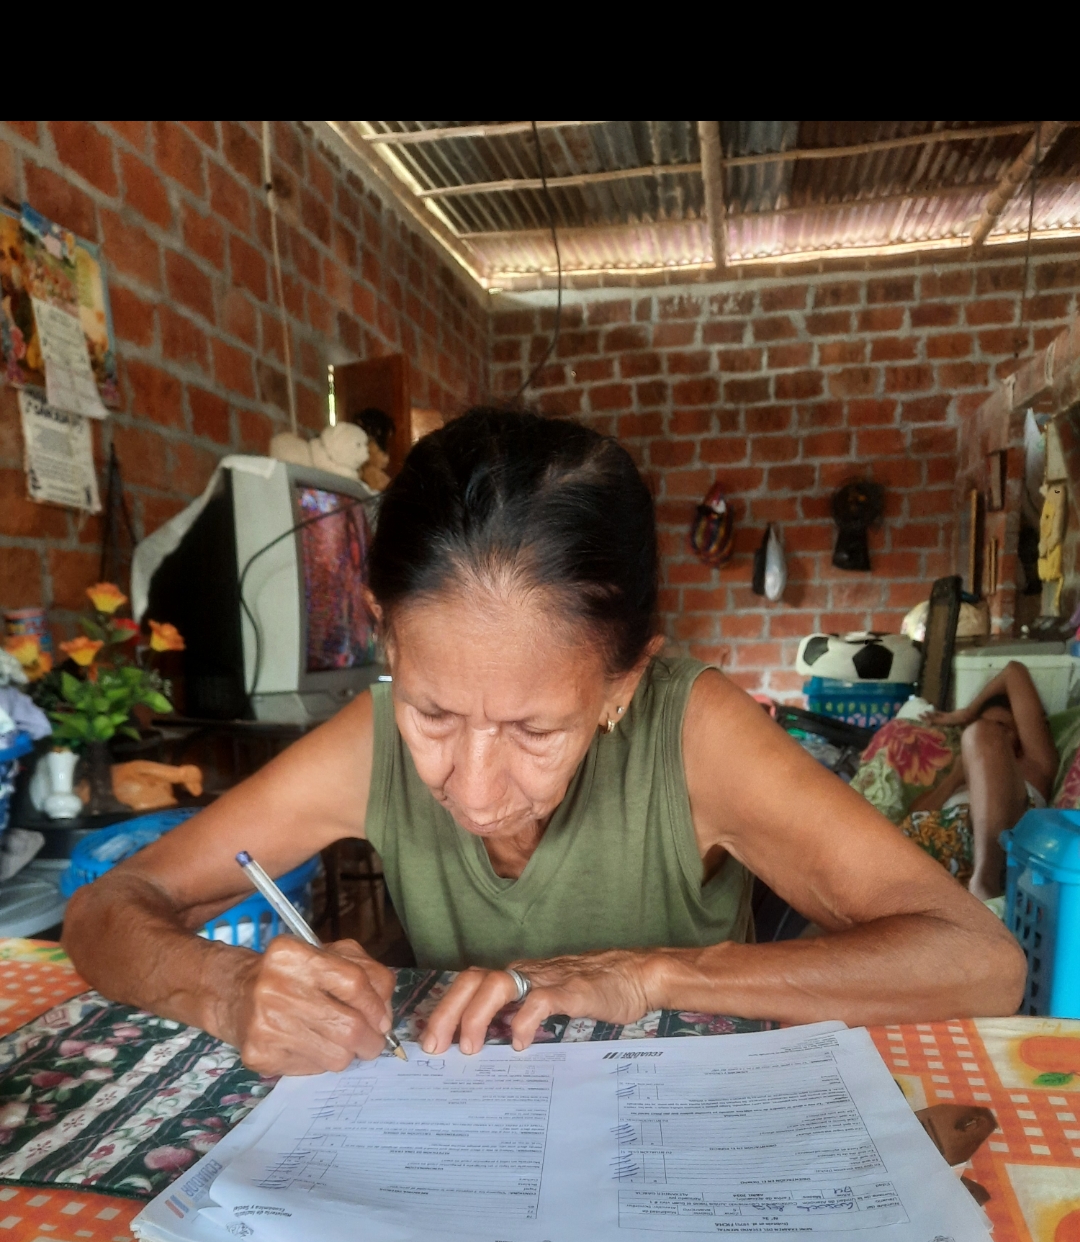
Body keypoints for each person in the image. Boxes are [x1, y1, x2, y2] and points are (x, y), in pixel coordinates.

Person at [64, 408, 1025, 1076]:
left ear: (622, 685)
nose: (475, 791)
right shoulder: (367, 745)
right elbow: (107, 910)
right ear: (386, 640)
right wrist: (230, 990)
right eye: (433, 715)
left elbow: (980, 960)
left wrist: (652, 974)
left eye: (534, 730)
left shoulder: (693, 734)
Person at [916, 661, 1058, 903]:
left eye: (1004, 727)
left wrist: (967, 713)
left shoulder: (1035, 765)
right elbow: (913, 817)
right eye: (991, 726)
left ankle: (985, 881)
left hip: (1000, 852)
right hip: (926, 863)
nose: (997, 734)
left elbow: (1013, 672)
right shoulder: (958, 779)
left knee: (982, 732)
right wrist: (954, 779)